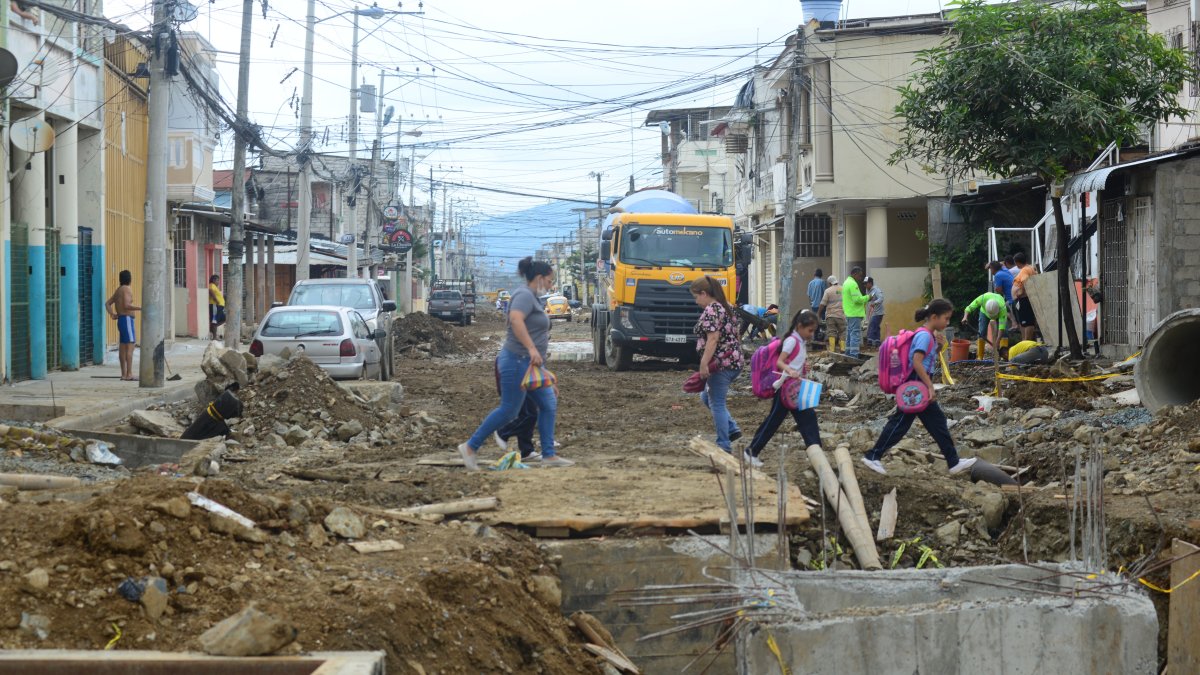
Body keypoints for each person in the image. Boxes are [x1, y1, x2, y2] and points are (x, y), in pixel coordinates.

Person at [458, 257, 572, 470]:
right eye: (549, 281)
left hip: (530, 364)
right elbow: (516, 320)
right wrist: (530, 348)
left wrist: (544, 373)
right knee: (510, 410)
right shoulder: (523, 295)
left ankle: (549, 455)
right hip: (516, 361)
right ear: (539, 278)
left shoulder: (533, 298)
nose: (550, 285)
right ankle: (470, 447)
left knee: (548, 404)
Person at [861, 299, 977, 476]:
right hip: (916, 385)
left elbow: (927, 358)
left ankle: (953, 462)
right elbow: (916, 361)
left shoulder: (927, 335)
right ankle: (872, 456)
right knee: (900, 422)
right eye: (945, 319)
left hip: (918, 384)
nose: (947, 323)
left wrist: (937, 347)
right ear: (933, 317)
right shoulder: (924, 335)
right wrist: (930, 387)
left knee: (937, 423)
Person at [744, 309, 822, 468]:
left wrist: (801, 368)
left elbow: (795, 360)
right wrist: (791, 370)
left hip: (794, 388)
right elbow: (780, 362)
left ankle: (817, 453)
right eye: (810, 330)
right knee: (776, 421)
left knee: (807, 418)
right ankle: (751, 452)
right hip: (786, 388)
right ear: (800, 326)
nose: (812, 334)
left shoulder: (800, 341)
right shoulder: (792, 341)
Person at [691, 275, 744, 454]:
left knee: (717, 403)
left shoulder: (712, 311)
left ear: (704, 293)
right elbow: (736, 335)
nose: (696, 300)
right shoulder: (726, 307)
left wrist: (704, 364)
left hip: (721, 364)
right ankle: (732, 429)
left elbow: (712, 339)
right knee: (706, 397)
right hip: (734, 361)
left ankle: (724, 446)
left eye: (696, 296)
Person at [105, 270, 141, 381]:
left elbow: (107, 303)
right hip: (127, 319)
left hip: (121, 320)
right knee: (130, 347)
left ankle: (123, 374)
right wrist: (140, 308)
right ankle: (129, 374)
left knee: (122, 348)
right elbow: (126, 305)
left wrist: (112, 314)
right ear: (130, 279)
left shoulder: (118, 290)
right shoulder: (127, 289)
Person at [961, 292, 1008, 359]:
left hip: (999, 313)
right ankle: (980, 356)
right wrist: (965, 317)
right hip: (984, 313)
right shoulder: (982, 299)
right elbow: (970, 307)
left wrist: (997, 341)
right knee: (982, 332)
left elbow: (1001, 328)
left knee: (1004, 333)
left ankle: (1004, 356)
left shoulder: (1002, 308)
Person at [1011, 252, 1039, 341]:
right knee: (1024, 322)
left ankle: (1026, 342)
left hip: (1023, 299)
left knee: (1027, 322)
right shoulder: (1029, 268)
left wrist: (1020, 292)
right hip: (1024, 299)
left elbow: (1025, 280)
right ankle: (1025, 341)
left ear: (1017, 262)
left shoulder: (1024, 270)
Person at [842, 266, 868, 359]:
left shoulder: (846, 283)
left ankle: (848, 353)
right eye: (860, 276)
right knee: (855, 335)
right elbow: (857, 299)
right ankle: (853, 355)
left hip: (849, 313)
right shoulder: (853, 284)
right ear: (855, 274)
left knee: (849, 334)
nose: (860, 278)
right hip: (855, 313)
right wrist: (868, 297)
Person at [819, 276, 845, 353]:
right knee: (842, 331)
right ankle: (843, 348)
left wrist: (818, 313)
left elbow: (822, 303)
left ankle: (832, 350)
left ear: (830, 283)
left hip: (831, 315)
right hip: (841, 315)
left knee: (831, 332)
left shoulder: (828, 291)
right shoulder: (843, 289)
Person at [864, 276, 885, 348]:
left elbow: (881, 298)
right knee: (876, 327)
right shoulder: (868, 290)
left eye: (866, 284)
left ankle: (870, 342)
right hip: (874, 312)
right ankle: (877, 343)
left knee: (872, 327)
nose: (865, 285)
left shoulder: (876, 290)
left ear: (870, 283)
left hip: (878, 313)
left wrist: (875, 302)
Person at [208, 275, 226, 341]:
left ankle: (212, 327)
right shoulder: (211, 285)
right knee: (215, 321)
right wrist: (216, 300)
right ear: (213, 280)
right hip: (215, 305)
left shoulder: (215, 287)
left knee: (224, 318)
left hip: (219, 306)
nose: (218, 282)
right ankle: (214, 337)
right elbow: (210, 291)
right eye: (217, 280)